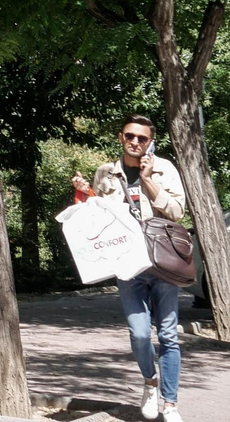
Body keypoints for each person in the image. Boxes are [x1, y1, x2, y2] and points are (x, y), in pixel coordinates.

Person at [72, 114, 188, 422]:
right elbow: (99, 216)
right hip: (127, 263)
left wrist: (148, 180)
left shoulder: (164, 169)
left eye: (142, 138)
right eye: (129, 136)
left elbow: (177, 211)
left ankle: (170, 404)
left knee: (168, 336)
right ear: (121, 137)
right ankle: (150, 382)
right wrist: (86, 196)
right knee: (139, 333)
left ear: (151, 142)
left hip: (162, 261)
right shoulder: (106, 173)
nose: (135, 142)